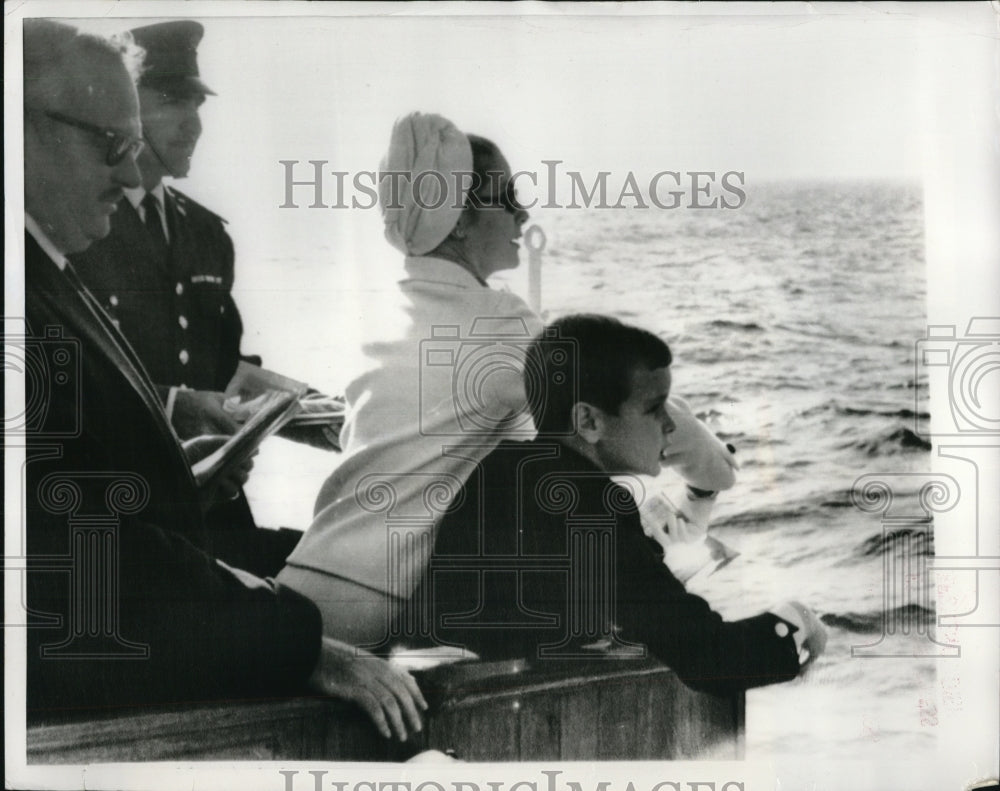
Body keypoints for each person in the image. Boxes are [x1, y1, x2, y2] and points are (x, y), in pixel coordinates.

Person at [21, 19, 424, 741]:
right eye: (111, 143)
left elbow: (82, 467)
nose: (127, 168)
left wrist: (186, 470)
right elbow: (78, 545)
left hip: (174, 558)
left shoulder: (50, 259)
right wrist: (299, 648)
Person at [422, 314, 827, 694]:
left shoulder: (501, 468)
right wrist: (796, 619)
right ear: (589, 422)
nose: (670, 424)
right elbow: (710, 658)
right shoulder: (593, 507)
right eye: (654, 408)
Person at [277, 113, 542, 646]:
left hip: (302, 582)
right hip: (376, 603)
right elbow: (615, 396)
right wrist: (710, 474)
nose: (524, 214)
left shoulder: (380, 318)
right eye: (509, 199)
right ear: (463, 218)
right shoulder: (504, 320)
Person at [70, 20, 305, 576]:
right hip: (125, 513)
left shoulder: (205, 233)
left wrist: (315, 411)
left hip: (215, 503)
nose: (194, 125)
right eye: (174, 102)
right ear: (122, 110)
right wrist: (175, 406)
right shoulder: (77, 226)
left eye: (198, 106)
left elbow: (227, 365)